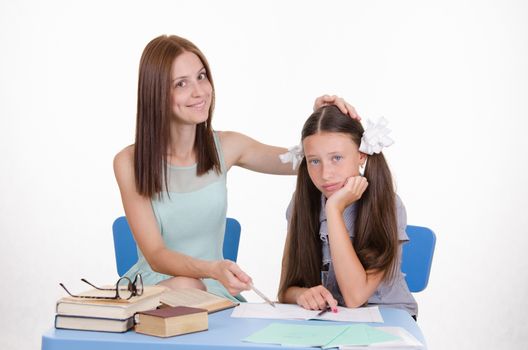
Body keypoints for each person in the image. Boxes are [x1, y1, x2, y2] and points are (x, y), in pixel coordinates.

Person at [113, 34, 358, 302]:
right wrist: (212, 269)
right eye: (181, 83)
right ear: (156, 93)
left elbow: (305, 162)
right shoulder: (128, 162)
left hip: (213, 289)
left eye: (201, 76)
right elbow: (157, 256)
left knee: (196, 291)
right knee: (187, 285)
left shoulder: (228, 146)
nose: (199, 92)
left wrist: (322, 122)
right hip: (156, 292)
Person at [278, 105, 417, 317]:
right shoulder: (302, 202)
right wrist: (302, 294)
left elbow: (354, 298)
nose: (325, 174)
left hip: (385, 316)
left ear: (361, 155)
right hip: (332, 318)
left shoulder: (387, 204)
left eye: (336, 158)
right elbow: (285, 290)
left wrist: (333, 209)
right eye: (314, 161)